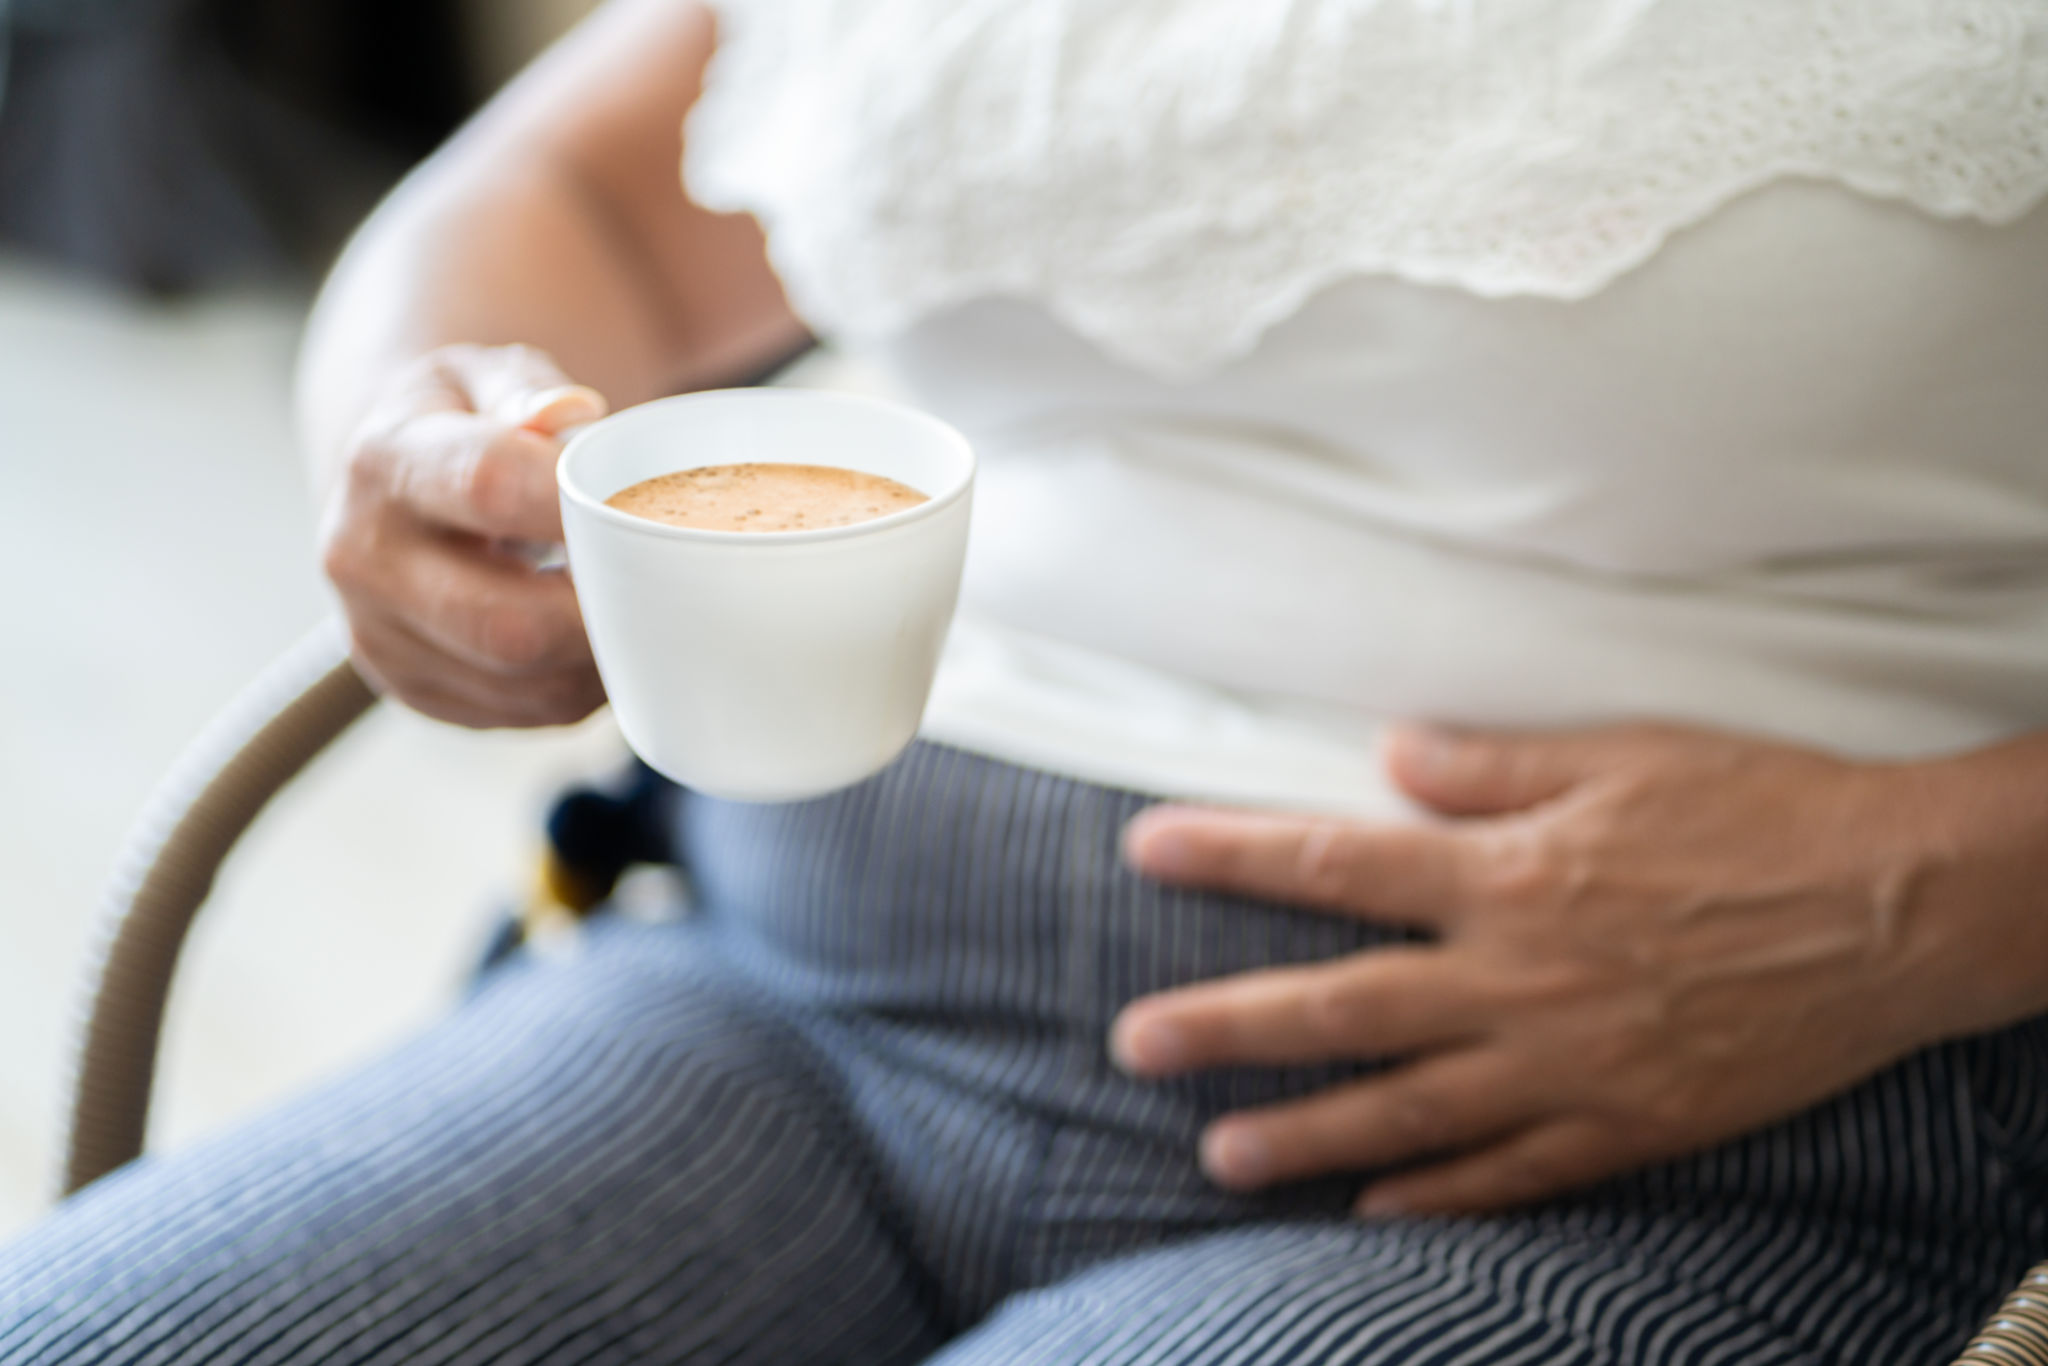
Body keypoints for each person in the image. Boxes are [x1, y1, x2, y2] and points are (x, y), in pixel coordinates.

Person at [7, 1, 2048, 1361]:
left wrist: (1928, 885)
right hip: (803, 1002)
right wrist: (423, 433)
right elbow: (597, 189)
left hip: (1686, 1145)